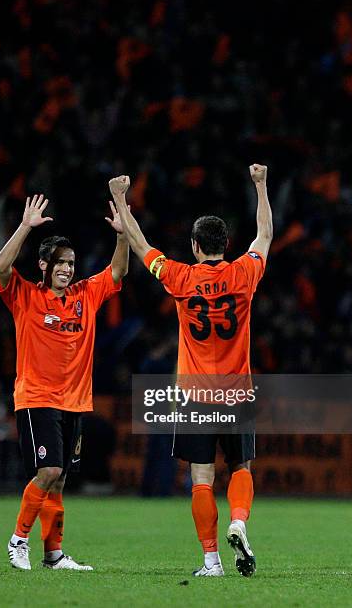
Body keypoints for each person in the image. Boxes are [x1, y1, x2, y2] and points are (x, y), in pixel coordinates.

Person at [109, 165, 272, 577]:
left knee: (201, 479)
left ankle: (211, 561)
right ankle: (239, 520)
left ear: (196, 246)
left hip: (196, 394)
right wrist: (261, 185)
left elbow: (142, 245)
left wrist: (122, 201)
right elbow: (266, 235)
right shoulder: (244, 272)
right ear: (225, 244)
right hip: (236, 391)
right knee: (240, 468)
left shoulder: (180, 277)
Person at [0, 193, 129, 571]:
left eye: (71, 263)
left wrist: (121, 236)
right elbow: (1, 266)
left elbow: (117, 273)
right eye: (59, 263)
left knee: (60, 480)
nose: (67, 269)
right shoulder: (25, 296)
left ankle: (53, 555)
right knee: (48, 472)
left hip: (75, 401)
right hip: (37, 398)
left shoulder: (85, 294)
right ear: (43, 265)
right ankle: (18, 541)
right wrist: (24, 227)